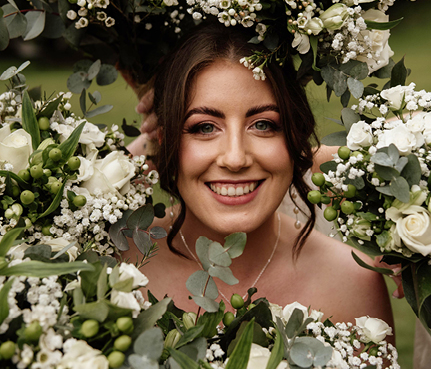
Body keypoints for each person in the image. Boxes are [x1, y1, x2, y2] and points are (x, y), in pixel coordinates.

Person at [134, 24, 394, 329]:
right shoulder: (114, 265)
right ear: (165, 140)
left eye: (263, 125)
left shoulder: (353, 280)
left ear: (296, 138)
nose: (235, 158)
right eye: (204, 127)